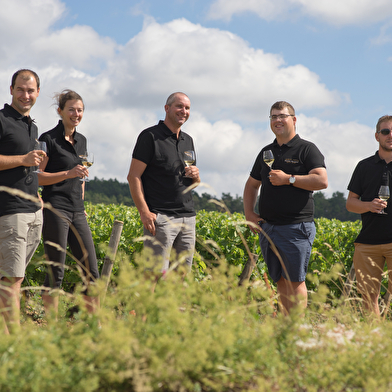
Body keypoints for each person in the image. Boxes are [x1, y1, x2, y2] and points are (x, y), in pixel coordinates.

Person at [243, 101, 328, 314]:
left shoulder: (307, 149)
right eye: (273, 117)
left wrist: (289, 179)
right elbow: (252, 185)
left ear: (294, 120)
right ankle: (286, 325)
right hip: (268, 228)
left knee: (295, 281)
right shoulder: (266, 151)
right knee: (279, 279)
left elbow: (321, 181)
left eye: (282, 116)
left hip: (296, 228)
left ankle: (296, 328)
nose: (277, 120)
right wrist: (249, 214)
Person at [38, 89, 99, 315]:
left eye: (80, 110)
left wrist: (80, 198)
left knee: (92, 271)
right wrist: (68, 174)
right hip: (55, 208)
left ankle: (92, 323)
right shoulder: (47, 139)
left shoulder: (81, 141)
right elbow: (37, 176)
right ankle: (51, 325)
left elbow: (80, 174)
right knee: (57, 270)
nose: (76, 114)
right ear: (60, 111)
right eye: (71, 109)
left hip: (77, 210)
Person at [127, 92, 200, 273]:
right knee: (154, 275)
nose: (183, 111)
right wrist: (144, 212)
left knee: (181, 277)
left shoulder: (188, 140)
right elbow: (133, 177)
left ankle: (176, 304)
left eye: (187, 108)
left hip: (187, 217)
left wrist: (196, 177)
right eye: (179, 106)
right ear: (167, 108)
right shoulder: (149, 136)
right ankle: (149, 303)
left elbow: (193, 184)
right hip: (161, 218)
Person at [0, 69, 44, 333]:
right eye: (21, 89)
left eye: (31, 90)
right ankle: (16, 344)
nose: (25, 95)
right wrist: (23, 160)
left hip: (33, 211)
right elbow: (21, 162)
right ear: (11, 90)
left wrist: (38, 199)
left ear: (37, 92)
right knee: (13, 280)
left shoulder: (33, 126)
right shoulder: (2, 120)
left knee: (12, 278)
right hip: (10, 211)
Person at [346, 115, 392, 316]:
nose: (390, 135)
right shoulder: (364, 166)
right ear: (377, 136)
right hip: (368, 244)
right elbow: (350, 204)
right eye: (385, 131)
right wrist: (368, 205)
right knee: (367, 300)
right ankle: (377, 343)